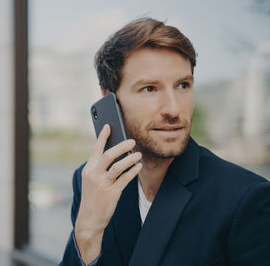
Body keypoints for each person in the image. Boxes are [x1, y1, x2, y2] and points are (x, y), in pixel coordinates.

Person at [59, 18, 270, 266]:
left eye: (183, 85)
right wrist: (87, 234)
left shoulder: (246, 199)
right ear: (111, 101)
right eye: (150, 89)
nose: (173, 109)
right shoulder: (91, 184)